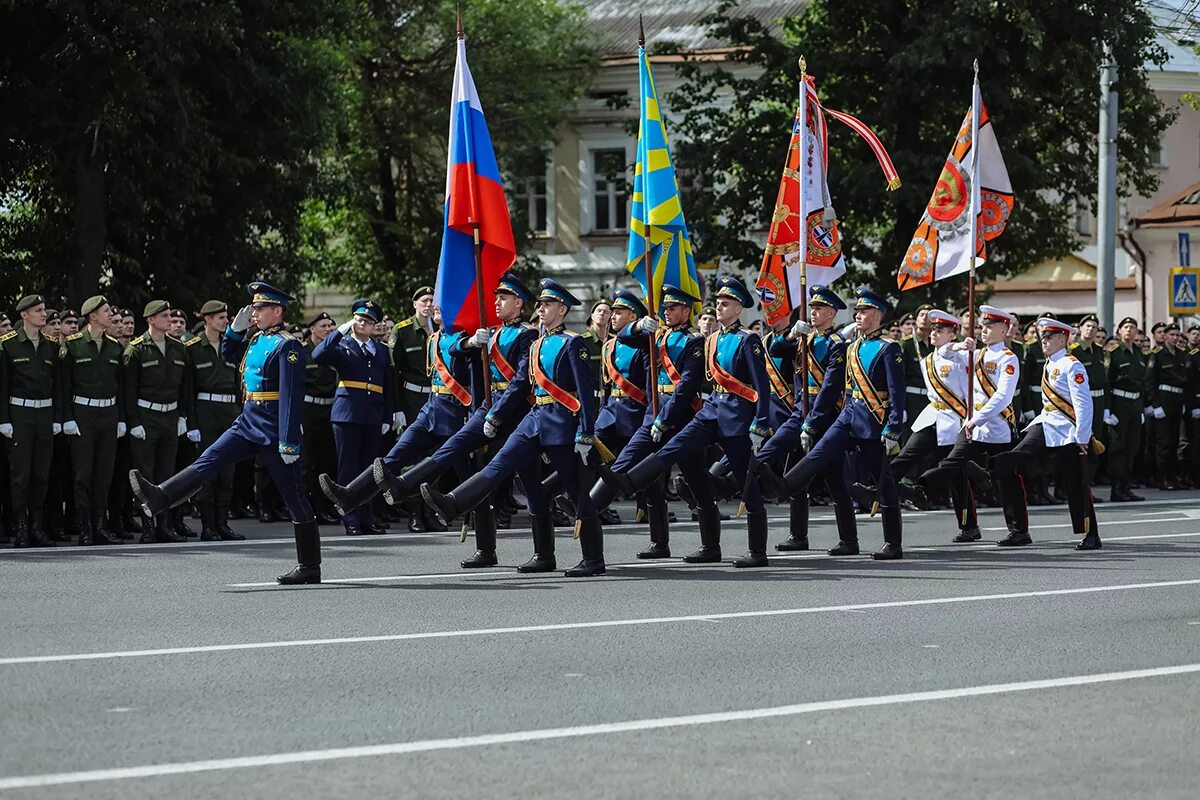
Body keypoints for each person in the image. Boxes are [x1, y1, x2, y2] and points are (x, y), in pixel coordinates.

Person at [130, 282, 322, 584]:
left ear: (277, 310)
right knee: (209, 459)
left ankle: (309, 566)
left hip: (273, 427)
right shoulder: (257, 338)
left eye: (260, 309)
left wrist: (288, 440)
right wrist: (234, 329)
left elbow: (291, 396)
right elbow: (229, 355)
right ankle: (160, 497)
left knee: (294, 495)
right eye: (254, 309)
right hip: (248, 419)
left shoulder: (289, 345)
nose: (254, 313)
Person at [420, 278, 605, 577]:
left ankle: (594, 559)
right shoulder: (538, 344)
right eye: (541, 304)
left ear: (563, 309)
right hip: (533, 420)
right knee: (500, 464)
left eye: (548, 305)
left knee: (575, 491)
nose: (541, 309)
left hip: (561, 423)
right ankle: (453, 503)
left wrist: (586, 432)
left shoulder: (573, 343)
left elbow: (585, 393)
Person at [599, 275, 772, 567]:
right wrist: (641, 324)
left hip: (737, 418)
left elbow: (762, 386)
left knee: (744, 482)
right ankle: (630, 482)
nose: (719, 307)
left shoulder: (748, 340)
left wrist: (760, 424)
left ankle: (757, 551)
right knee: (673, 448)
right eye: (717, 302)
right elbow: (625, 337)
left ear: (740, 307)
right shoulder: (712, 339)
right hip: (710, 412)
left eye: (726, 303)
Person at [370, 272, 539, 568]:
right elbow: (451, 348)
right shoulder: (494, 333)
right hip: (487, 409)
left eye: (503, 298)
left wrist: (496, 415)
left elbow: (521, 383)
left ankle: (546, 554)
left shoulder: (527, 335)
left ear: (519, 303)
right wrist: (471, 342)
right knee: (452, 447)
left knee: (530, 486)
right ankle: (403, 486)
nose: (496, 302)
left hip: (517, 415)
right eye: (496, 297)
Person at [766, 288, 906, 560]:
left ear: (877, 315)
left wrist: (893, 427)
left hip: (873, 421)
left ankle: (893, 543)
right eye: (857, 311)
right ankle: (784, 486)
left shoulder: (889, 348)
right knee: (820, 454)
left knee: (883, 480)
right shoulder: (853, 347)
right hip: (848, 416)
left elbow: (896, 393)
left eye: (864, 311)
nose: (858, 315)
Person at [588, 284, 707, 559]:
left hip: (683, 419)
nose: (667, 312)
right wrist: (640, 325)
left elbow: (687, 386)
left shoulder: (694, 341)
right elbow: (625, 337)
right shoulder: (656, 336)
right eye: (665, 308)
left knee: (696, 482)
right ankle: (591, 507)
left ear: (686, 311)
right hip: (654, 415)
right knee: (622, 463)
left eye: (672, 308)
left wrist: (663, 420)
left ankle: (709, 546)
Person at [856, 310, 980, 542]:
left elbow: (951, 353)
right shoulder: (929, 358)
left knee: (957, 476)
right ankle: (879, 488)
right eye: (933, 329)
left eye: (940, 330)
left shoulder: (959, 356)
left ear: (952, 335)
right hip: (933, 416)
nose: (933, 333)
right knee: (906, 455)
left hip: (954, 421)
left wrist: (964, 346)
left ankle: (969, 525)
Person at [920, 305, 1030, 545]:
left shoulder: (1008, 359)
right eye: (982, 326)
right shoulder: (976, 354)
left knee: (1007, 479)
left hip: (997, 428)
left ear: (1004, 329)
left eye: (990, 327)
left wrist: (976, 418)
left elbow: (1003, 397)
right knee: (953, 462)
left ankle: (1019, 531)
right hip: (973, 428)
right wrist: (959, 345)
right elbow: (944, 354)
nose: (984, 331)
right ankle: (922, 486)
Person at [991, 317, 1100, 551]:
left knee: (1076, 483)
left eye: (1049, 338)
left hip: (1067, 430)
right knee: (1017, 455)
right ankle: (990, 472)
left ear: (1063, 338)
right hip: (1047, 422)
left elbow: (1083, 404)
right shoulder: (1050, 363)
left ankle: (1091, 534)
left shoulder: (1072, 365)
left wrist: (1082, 436)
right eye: (1043, 338)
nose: (1044, 342)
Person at [752, 285, 847, 552]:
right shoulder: (803, 339)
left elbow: (829, 389)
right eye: (812, 308)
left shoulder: (836, 345)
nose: (813, 313)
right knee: (796, 471)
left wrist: (812, 422)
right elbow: (776, 349)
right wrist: (793, 333)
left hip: (825, 414)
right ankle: (798, 534)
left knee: (834, 479)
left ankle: (848, 539)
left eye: (819, 309)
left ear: (831, 313)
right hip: (799, 410)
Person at [312, 299, 396, 536]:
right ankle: (349, 517)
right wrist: (340, 330)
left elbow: (387, 385)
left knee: (369, 470)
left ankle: (366, 517)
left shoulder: (381, 350)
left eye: (368, 321)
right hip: (347, 414)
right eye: (359, 319)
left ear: (374, 326)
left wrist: (388, 415)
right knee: (348, 468)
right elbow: (318, 354)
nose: (363, 324)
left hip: (373, 414)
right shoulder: (342, 345)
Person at [58, 295, 126, 546]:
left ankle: (100, 525)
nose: (111, 315)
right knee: (83, 474)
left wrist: (121, 419)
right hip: (82, 414)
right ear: (93, 316)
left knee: (104, 474)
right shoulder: (73, 346)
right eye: (106, 311)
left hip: (108, 414)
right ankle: (85, 526)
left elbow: (121, 387)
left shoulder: (115, 347)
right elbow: (63, 386)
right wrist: (66, 418)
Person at [123, 300, 192, 543]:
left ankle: (165, 525)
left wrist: (183, 416)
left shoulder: (178, 348)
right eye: (164, 316)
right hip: (146, 415)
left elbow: (185, 387)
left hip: (170, 415)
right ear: (151, 319)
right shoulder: (136, 349)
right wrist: (133, 422)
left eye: (170, 316)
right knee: (145, 475)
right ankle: (148, 526)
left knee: (167, 473)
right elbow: (129, 390)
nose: (170, 320)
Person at [0, 295, 59, 547]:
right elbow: (2, 386)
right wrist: (4, 420)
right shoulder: (8, 345)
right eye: (38, 310)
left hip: (44, 414)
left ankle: (36, 526)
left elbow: (57, 386)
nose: (43, 314)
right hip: (20, 414)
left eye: (44, 309)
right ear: (24, 315)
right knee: (20, 475)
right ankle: (21, 527)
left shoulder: (51, 346)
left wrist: (57, 418)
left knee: (41, 474)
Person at [183, 300, 245, 540]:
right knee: (208, 469)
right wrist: (192, 423)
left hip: (229, 408)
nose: (225, 321)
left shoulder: (233, 346)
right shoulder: (193, 348)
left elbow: (240, 385)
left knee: (227, 469)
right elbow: (188, 388)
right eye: (220, 317)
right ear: (207, 319)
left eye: (226, 317)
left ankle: (222, 523)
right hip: (205, 409)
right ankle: (208, 525)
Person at [390, 286, 437, 530]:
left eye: (432, 300)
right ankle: (415, 513)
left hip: (438, 399)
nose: (429, 304)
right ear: (415, 303)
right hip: (411, 399)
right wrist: (397, 408)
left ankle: (431, 511)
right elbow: (393, 372)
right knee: (414, 459)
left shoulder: (441, 328)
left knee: (435, 457)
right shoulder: (403, 330)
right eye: (424, 300)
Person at [302, 312, 340, 524]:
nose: (328, 329)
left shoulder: (333, 352)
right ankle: (308, 508)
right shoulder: (302, 351)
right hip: (308, 410)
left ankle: (324, 507)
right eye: (323, 325)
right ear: (312, 329)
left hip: (329, 410)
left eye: (331, 326)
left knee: (327, 462)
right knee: (307, 463)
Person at [1105, 316, 1146, 502]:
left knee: (1132, 447)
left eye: (1133, 327)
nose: (1130, 330)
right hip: (1119, 402)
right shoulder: (1113, 352)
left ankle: (1126, 487)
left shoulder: (1138, 352)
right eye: (1126, 327)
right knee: (1118, 447)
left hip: (1135, 404)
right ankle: (1116, 489)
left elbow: (1142, 382)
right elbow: (1107, 382)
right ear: (1120, 331)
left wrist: (1142, 409)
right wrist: (1108, 409)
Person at [1146, 323, 1190, 489]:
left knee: (1174, 441)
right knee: (1163, 442)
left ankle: (1173, 476)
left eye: (1177, 335)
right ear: (1164, 336)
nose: (1175, 338)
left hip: (1177, 398)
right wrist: (1156, 405)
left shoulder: (1182, 354)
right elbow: (1150, 381)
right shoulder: (1157, 354)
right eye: (1172, 334)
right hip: (1163, 397)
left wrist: (1185, 403)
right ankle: (1162, 477)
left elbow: (1187, 381)